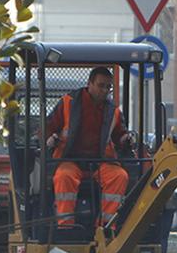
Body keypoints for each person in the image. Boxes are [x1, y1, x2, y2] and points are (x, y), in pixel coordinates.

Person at [45, 66, 134, 228]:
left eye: (108, 87)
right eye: (101, 85)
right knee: (64, 177)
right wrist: (49, 138)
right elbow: (48, 127)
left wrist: (125, 138)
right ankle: (65, 227)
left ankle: (106, 227)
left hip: (100, 162)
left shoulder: (113, 112)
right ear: (89, 84)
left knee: (120, 176)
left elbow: (119, 135)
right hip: (70, 160)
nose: (105, 90)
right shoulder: (68, 103)